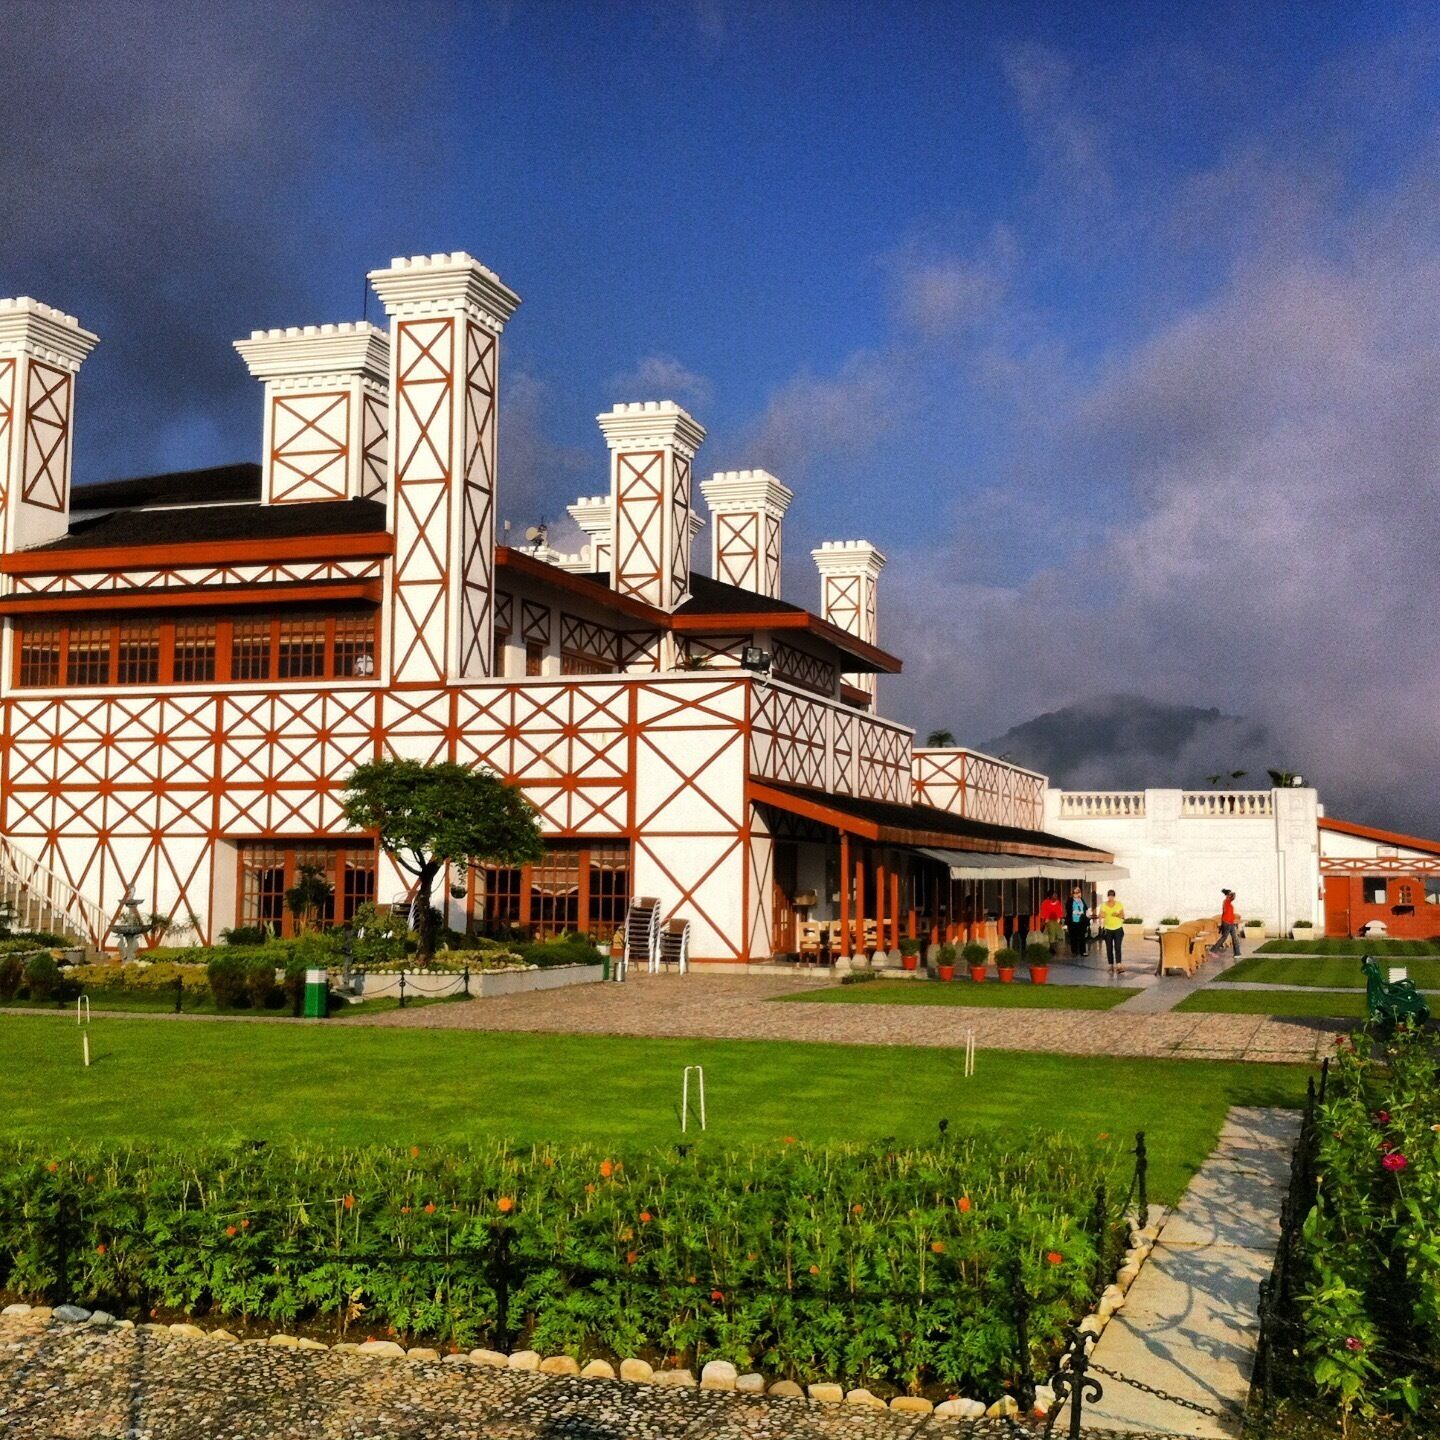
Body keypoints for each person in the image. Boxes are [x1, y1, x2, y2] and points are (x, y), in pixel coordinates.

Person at [1099, 889, 1126, 971]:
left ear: (1114, 896)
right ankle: (1110, 964)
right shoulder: (1104, 905)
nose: (1111, 897)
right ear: (1108, 896)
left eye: (1112, 895)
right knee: (1109, 947)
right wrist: (1101, 917)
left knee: (1118, 946)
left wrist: (1117, 915)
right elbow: (1101, 915)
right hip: (1108, 928)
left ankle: (1118, 964)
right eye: (1109, 895)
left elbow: (1123, 916)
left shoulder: (1119, 904)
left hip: (1118, 928)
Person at [1066, 885, 1091, 958]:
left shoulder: (1082, 900)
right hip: (1073, 921)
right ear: (1073, 894)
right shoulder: (1070, 900)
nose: (1078, 894)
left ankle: (1082, 951)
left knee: (1082, 936)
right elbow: (1068, 910)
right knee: (1073, 937)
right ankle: (1074, 951)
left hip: (1081, 920)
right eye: (1076, 892)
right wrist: (1075, 912)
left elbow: (1085, 908)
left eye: (1079, 892)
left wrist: (1087, 913)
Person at [1038, 890, 1065, 955]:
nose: (1055, 896)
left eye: (1056, 895)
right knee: (1052, 933)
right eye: (1054, 895)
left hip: (1056, 921)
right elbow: (1043, 912)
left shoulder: (1058, 903)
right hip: (1049, 921)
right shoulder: (1045, 903)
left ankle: (1053, 946)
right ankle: (1052, 948)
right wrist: (1044, 920)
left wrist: (1059, 918)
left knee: (1057, 934)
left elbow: (1060, 912)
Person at [1219, 889, 1242, 957]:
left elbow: (1233, 895)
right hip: (1227, 922)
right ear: (1227, 895)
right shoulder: (1227, 901)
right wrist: (1230, 893)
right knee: (1225, 937)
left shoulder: (1227, 901)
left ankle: (1237, 953)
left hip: (1230, 922)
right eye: (1229, 894)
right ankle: (1214, 949)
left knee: (1234, 938)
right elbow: (1233, 895)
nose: (1230, 895)